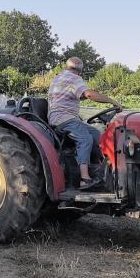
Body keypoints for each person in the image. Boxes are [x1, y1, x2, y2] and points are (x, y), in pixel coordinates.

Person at [47, 57, 121, 190]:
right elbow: (89, 94)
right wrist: (112, 101)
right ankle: (84, 179)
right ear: (80, 72)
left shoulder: (59, 77)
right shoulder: (74, 78)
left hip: (61, 117)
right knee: (85, 138)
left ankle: (100, 169)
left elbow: (76, 94)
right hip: (63, 118)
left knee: (95, 133)